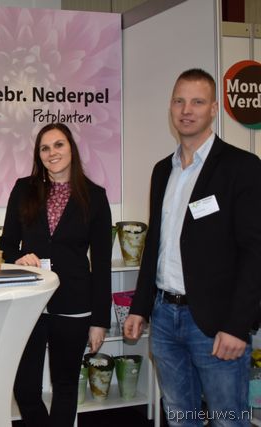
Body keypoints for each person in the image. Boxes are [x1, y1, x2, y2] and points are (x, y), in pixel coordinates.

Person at [124, 68, 261, 427]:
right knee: (180, 417)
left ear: (213, 109)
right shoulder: (162, 171)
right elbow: (155, 243)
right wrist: (140, 307)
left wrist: (238, 325)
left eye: (197, 102)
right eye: (179, 101)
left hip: (216, 325)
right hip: (165, 320)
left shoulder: (242, 167)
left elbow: (255, 253)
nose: (187, 110)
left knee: (228, 420)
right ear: (170, 107)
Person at [0, 122, 112, 427]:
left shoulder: (95, 196)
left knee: (65, 386)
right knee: (25, 388)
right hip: (30, 303)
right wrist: (19, 258)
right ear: (39, 155)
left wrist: (100, 320)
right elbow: (5, 246)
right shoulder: (24, 189)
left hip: (74, 303)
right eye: (44, 148)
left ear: (71, 148)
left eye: (58, 145)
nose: (52, 153)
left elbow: (102, 263)